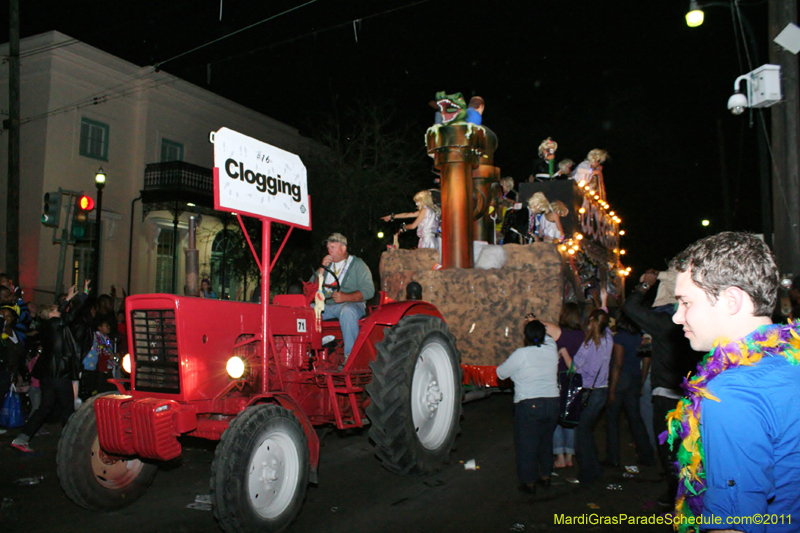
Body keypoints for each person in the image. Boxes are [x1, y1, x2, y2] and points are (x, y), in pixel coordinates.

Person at [664, 232, 799, 530]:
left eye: (686, 302)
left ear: (731, 300)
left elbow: (734, 523)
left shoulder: (731, 392)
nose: (677, 317)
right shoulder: (793, 357)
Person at [623, 269, 699, 507]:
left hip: (667, 396)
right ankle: (687, 494)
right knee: (691, 450)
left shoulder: (665, 324)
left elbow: (630, 308)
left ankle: (678, 497)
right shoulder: (699, 323)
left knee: (670, 450)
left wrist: (644, 285)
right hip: (695, 397)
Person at [12, 281, 89, 453]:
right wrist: (83, 295)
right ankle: (70, 445)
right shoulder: (56, 325)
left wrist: (68, 298)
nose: (59, 311)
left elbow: (62, 314)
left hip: (48, 375)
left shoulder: (48, 326)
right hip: (58, 374)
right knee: (67, 409)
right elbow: (71, 314)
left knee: (45, 408)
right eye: (55, 310)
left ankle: (22, 438)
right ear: (50, 315)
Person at [496, 320, 560, 494]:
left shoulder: (521, 354)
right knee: (546, 442)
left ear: (526, 337)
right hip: (553, 403)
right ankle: (546, 476)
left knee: (526, 445)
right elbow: (551, 334)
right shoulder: (551, 349)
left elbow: (501, 373)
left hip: (529, 403)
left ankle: (529, 482)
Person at [561, 306, 613, 485]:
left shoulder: (589, 344)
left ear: (591, 323)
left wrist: (564, 353)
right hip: (602, 390)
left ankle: (587, 473)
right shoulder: (608, 338)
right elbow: (603, 320)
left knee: (581, 435)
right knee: (587, 431)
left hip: (589, 391)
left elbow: (573, 369)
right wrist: (603, 303)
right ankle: (595, 470)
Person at [604, 311, 655, 468]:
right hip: (634, 378)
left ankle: (613, 458)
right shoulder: (640, 337)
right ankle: (647, 456)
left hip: (621, 380)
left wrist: (611, 390)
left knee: (612, 420)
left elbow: (618, 364)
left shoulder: (620, 337)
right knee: (635, 419)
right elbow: (646, 360)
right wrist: (641, 381)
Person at [314, 233, 375, 362]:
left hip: (351, 304)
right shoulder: (327, 265)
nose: (330, 251)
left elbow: (369, 291)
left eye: (333, 248)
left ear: (343, 248)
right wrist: (321, 269)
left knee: (347, 311)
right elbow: (311, 288)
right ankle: (309, 353)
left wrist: (346, 297)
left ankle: (351, 357)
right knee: (305, 310)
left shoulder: (357, 264)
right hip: (326, 306)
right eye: (328, 248)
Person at [540, 302, 585, 469]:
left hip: (558, 378)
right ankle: (570, 455)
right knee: (570, 415)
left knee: (557, 418)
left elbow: (539, 325)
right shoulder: (583, 335)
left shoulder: (559, 332)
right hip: (575, 379)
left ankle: (559, 455)